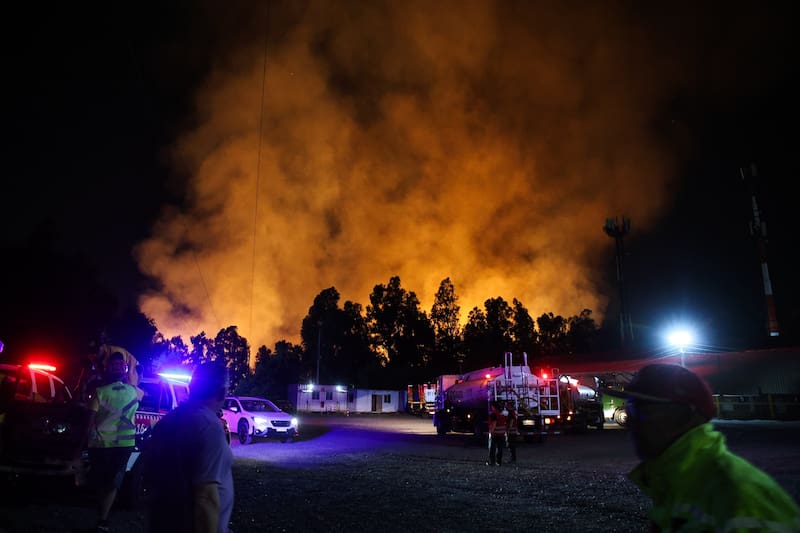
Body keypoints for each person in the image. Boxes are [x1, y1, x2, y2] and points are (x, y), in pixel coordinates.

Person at [603, 363, 800, 532]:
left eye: (641, 411)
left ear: (687, 416)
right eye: (630, 410)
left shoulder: (737, 496)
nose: (630, 424)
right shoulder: (675, 482)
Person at [145, 361, 234, 533]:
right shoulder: (209, 426)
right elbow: (205, 498)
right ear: (222, 392)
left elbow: (151, 475)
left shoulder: (167, 421)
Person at [88, 352, 144, 532]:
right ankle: (103, 517)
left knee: (102, 481)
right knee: (112, 481)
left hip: (100, 445)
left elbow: (90, 421)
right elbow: (140, 386)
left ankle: (102, 516)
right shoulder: (134, 392)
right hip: (124, 445)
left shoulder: (99, 392)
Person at [487, 401, 507, 466]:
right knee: (500, 448)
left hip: (495, 434)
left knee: (492, 448)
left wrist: (491, 432)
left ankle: (492, 462)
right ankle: (499, 462)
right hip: (501, 434)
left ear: (493, 407)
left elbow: (494, 424)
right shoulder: (501, 414)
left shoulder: (493, 414)